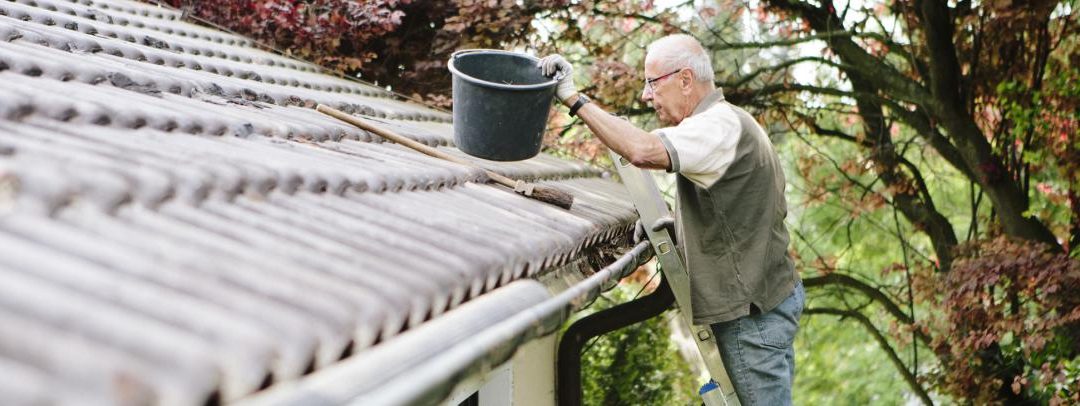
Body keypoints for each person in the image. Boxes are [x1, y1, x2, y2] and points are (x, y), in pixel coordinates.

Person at [539, 34, 804, 406]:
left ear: (685, 80)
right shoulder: (731, 121)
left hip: (751, 317)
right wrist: (676, 229)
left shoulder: (717, 127)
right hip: (767, 302)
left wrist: (572, 96)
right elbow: (734, 210)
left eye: (652, 83)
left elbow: (641, 150)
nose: (646, 95)